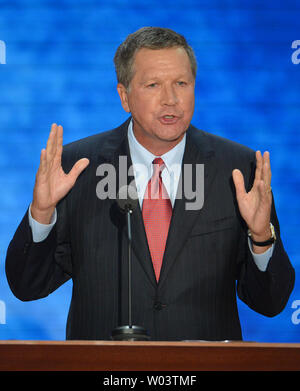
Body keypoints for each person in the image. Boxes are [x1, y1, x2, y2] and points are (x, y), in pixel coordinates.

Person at [5, 27, 295, 341]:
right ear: (124, 96)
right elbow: (27, 287)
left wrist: (261, 236)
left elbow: (270, 302)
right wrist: (42, 213)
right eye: (153, 84)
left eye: (181, 84)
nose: (170, 99)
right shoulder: (78, 169)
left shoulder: (237, 170)